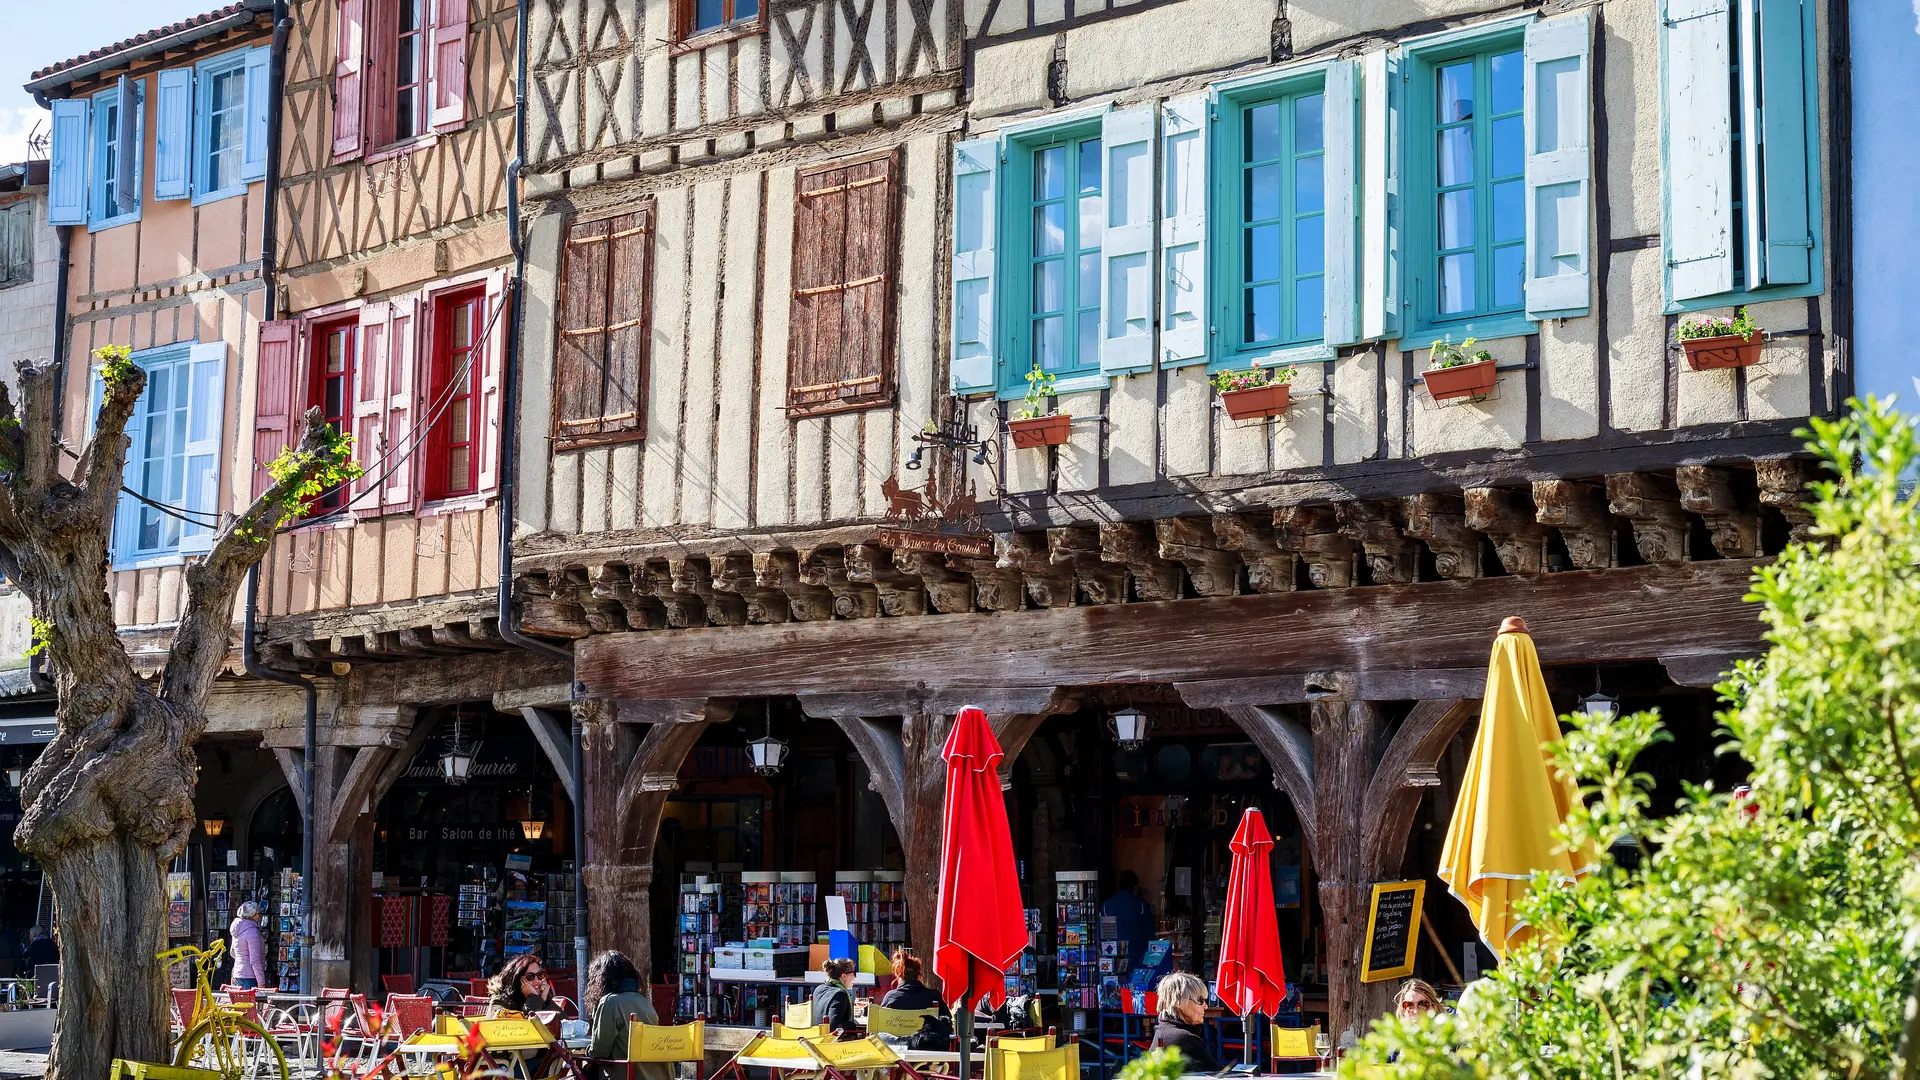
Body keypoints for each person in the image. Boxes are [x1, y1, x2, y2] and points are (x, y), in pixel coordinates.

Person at [583, 951, 670, 1080]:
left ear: (601, 979)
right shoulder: (644, 1000)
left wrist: (586, 1051)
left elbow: (599, 1052)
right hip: (656, 1075)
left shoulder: (609, 1002)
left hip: (626, 1074)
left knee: (583, 1069)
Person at [1147, 972, 1218, 1073]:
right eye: (1200, 1000)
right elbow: (1218, 1074)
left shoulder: (1162, 1030)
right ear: (1179, 1002)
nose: (1205, 1006)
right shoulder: (1183, 1038)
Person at [1101, 870, 1154, 972]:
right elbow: (1150, 934)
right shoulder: (1140, 905)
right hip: (1137, 957)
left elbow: (1104, 936)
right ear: (1134, 886)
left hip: (1112, 957)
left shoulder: (1106, 906)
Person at [489, 954, 561, 1016]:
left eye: (540, 975)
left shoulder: (540, 997)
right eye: (530, 976)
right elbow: (523, 1027)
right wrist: (534, 999)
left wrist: (544, 1001)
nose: (537, 980)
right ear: (517, 979)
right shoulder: (500, 1001)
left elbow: (564, 1022)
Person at [878, 950, 945, 1014]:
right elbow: (947, 1023)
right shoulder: (934, 997)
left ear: (899, 976)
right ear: (919, 976)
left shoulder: (890, 997)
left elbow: (879, 1022)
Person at [810, 958, 858, 1038]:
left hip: (814, 1038)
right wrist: (852, 1025)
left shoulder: (818, 989)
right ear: (844, 976)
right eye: (854, 973)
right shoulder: (840, 994)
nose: (855, 977)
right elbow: (833, 1025)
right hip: (831, 1043)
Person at [228, 902, 267, 990]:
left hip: (237, 974)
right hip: (249, 977)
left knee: (239, 1003)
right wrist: (261, 982)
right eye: (258, 913)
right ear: (252, 915)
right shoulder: (252, 932)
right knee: (249, 1003)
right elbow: (255, 960)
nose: (259, 915)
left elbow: (232, 952)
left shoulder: (237, 929)